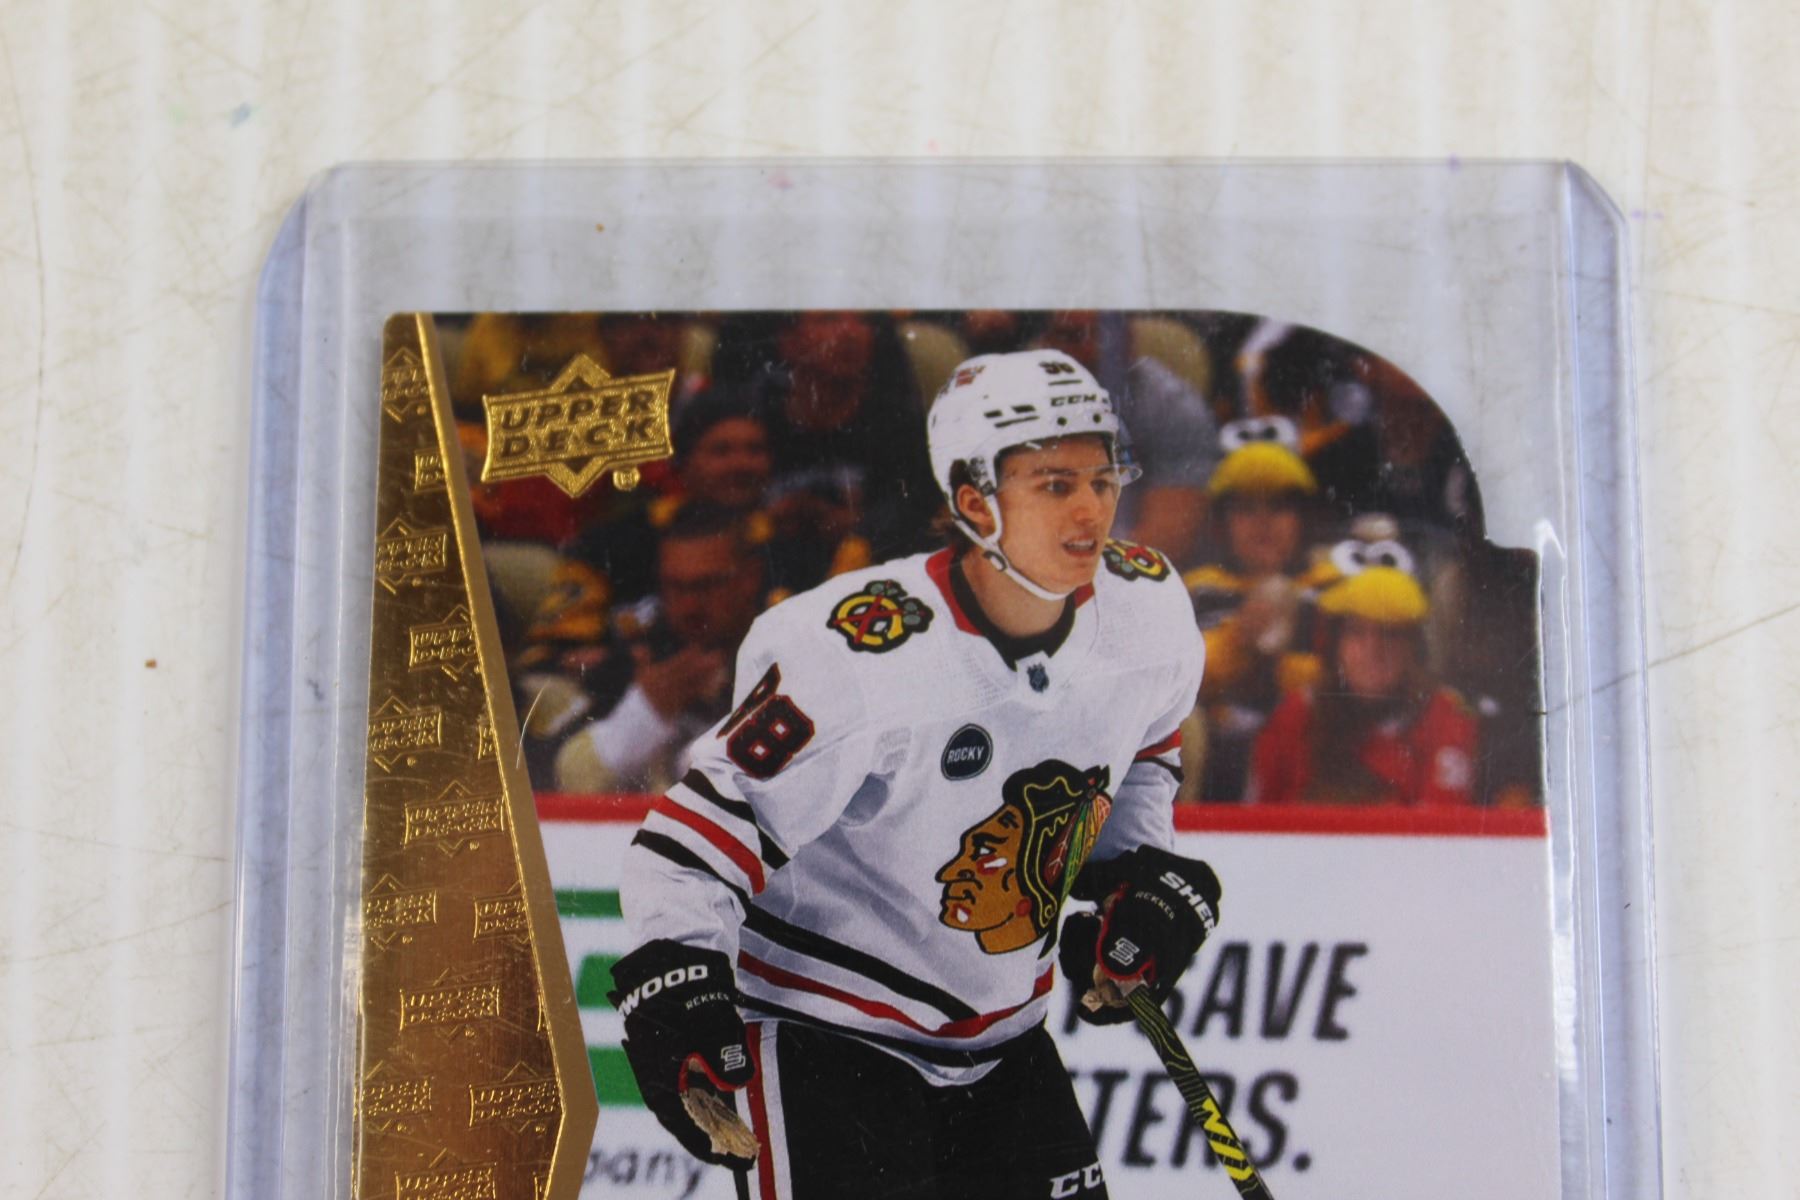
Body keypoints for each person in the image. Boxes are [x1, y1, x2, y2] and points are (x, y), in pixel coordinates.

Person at [608, 349, 1221, 1199]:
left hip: (1004, 1042)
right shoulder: (860, 653)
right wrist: (674, 980)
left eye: (1102, 478)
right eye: (1054, 485)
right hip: (824, 1036)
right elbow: (692, 842)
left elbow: (1146, 741)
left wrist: (1135, 870)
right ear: (974, 500)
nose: (1090, 510)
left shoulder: (1145, 611)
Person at [521, 505, 768, 793]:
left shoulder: (783, 652)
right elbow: (559, 777)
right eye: (675, 587)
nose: (690, 606)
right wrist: (645, 712)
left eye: (706, 586)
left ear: (750, 577)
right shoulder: (637, 660)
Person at [1245, 540, 1479, 807]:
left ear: (1414, 649)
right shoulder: (1297, 714)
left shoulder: (1446, 716)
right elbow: (1256, 818)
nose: (1373, 649)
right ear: (1334, 645)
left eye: (1389, 634)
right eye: (1356, 632)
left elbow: (1440, 822)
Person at [1185, 416, 1331, 801]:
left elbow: (1348, 684)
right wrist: (1239, 639)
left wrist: (1278, 667)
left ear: (1303, 519)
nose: (1263, 522)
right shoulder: (1199, 589)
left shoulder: (1327, 588)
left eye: (1279, 506)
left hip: (1306, 752)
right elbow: (1179, 681)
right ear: (1221, 524)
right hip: (1217, 751)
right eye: (1246, 508)